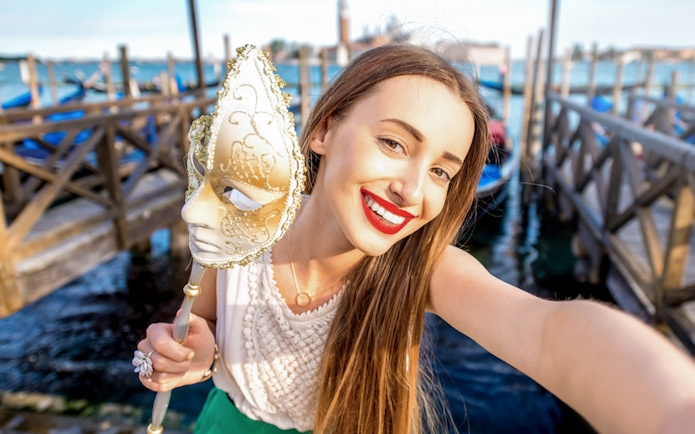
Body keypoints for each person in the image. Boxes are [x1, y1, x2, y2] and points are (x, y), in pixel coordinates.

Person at [135, 44, 695, 434]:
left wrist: (675, 411)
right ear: (325, 128)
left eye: (441, 172)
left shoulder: (424, 268)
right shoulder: (241, 221)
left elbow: (549, 335)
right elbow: (200, 319)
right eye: (395, 144)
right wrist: (193, 354)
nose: (411, 189)